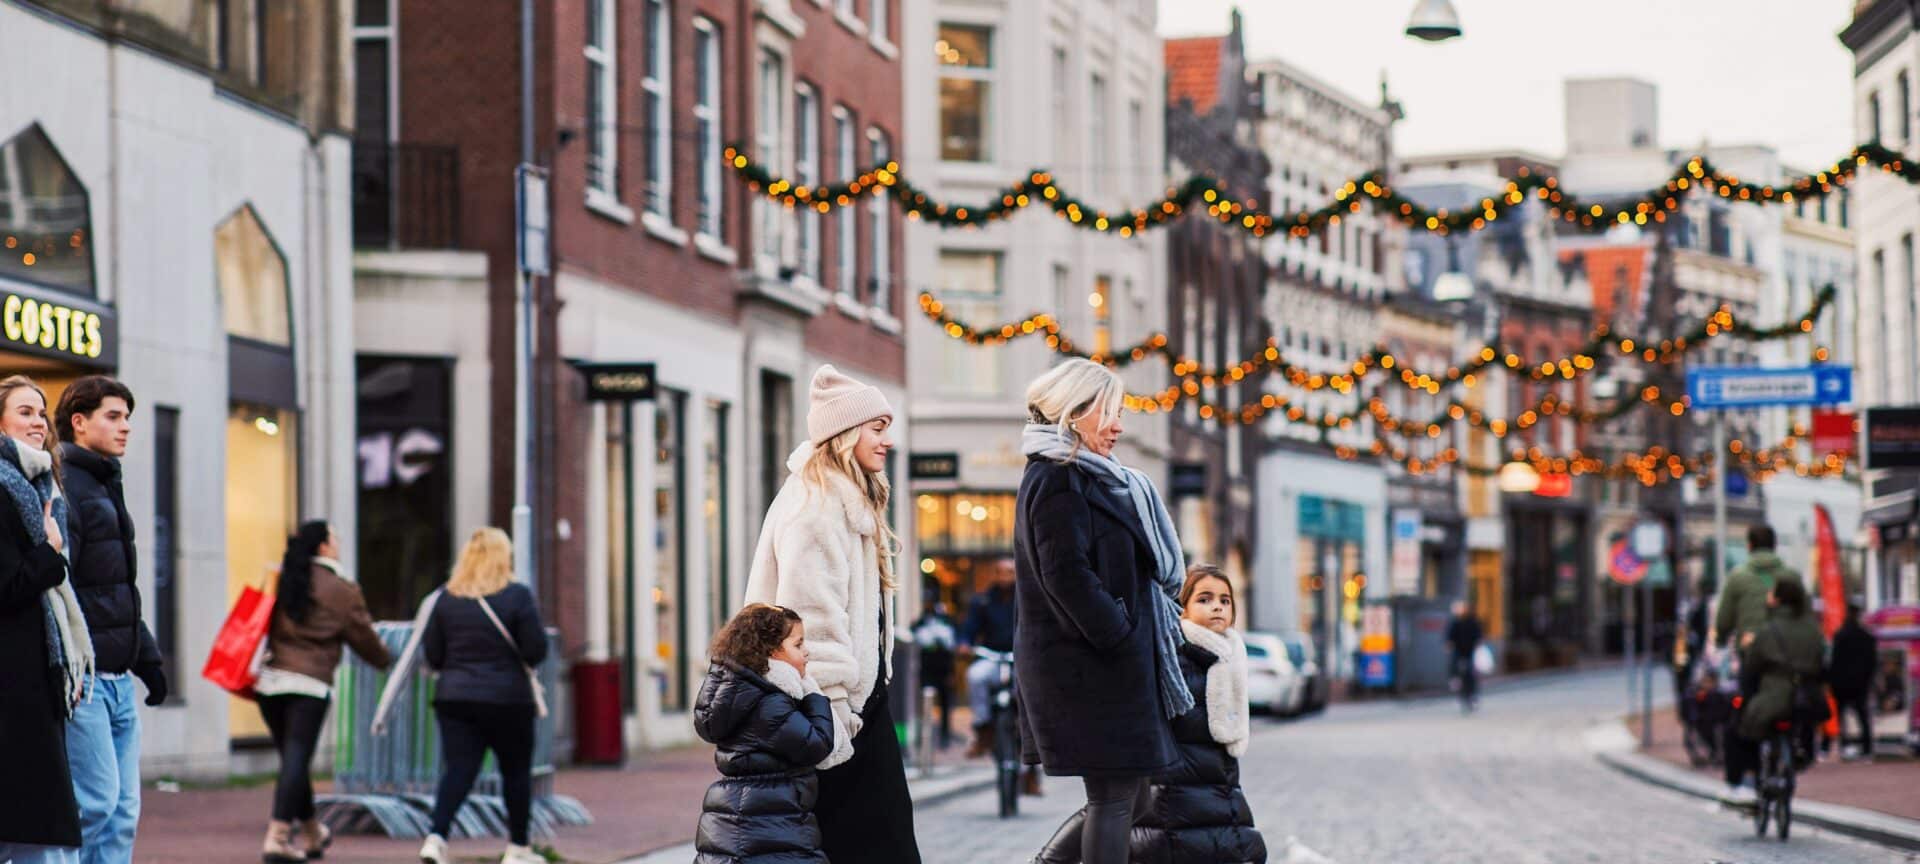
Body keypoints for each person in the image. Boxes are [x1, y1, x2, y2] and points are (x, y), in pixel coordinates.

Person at [742, 364, 920, 864]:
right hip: (833, 715)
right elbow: (809, 621)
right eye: (877, 428)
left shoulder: (846, 499)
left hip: (855, 708)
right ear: (845, 434)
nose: (887, 441)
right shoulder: (818, 506)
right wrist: (836, 717)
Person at [1017, 359, 1184, 864]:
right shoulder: (1056, 478)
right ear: (1074, 412)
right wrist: (1117, 632)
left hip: (1110, 667)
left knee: (1132, 799)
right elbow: (1064, 573)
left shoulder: (1091, 477)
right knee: (1114, 799)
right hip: (1090, 668)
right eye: (1109, 412)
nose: (1118, 425)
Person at [55, 375, 165, 864]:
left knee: (122, 815)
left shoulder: (105, 482)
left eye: (128, 418)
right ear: (79, 423)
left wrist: (147, 658)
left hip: (120, 682)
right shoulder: (66, 487)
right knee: (92, 807)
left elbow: (118, 589)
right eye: (113, 417)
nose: (126, 428)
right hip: (88, 683)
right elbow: (64, 590)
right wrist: (67, 666)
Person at [256, 520, 392, 863]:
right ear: (323, 547)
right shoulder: (342, 590)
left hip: (270, 683)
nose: (339, 542)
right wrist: (386, 660)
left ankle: (314, 833)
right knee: (297, 760)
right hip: (309, 685)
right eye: (335, 537)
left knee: (293, 762)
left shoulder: (285, 578)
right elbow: (364, 639)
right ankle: (277, 837)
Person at [416, 528, 549, 864]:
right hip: (508, 700)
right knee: (516, 773)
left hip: (455, 698)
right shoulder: (517, 596)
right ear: (504, 558)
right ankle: (518, 849)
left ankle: (436, 838)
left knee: (459, 770)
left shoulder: (446, 599)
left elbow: (433, 655)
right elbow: (536, 650)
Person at [0, 375, 88, 863]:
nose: (39, 423)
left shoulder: (38, 487)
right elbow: (8, 586)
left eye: (42, 413)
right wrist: (50, 552)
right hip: (10, 684)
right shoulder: (4, 487)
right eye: (25, 412)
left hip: (32, 678)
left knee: (32, 830)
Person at [1129, 565, 1267, 864]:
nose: (1217, 606)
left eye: (1225, 600)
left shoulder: (1229, 657)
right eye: (1204, 599)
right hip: (1174, 798)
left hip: (1217, 793)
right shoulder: (1173, 658)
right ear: (1183, 609)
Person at [692, 604, 835, 864]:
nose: (806, 652)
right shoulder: (770, 702)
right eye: (798, 644)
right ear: (771, 650)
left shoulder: (743, 691)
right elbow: (817, 743)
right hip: (769, 822)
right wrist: (814, 695)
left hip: (741, 818)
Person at [1726, 578, 1828, 795]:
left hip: (1775, 697)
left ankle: (1747, 781)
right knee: (1803, 726)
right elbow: (1822, 663)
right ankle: (1800, 754)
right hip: (1808, 699)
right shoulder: (1813, 630)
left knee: (1741, 728)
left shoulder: (1768, 631)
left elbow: (1752, 667)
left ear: (1778, 599)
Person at [960, 558, 1017, 758]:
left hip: (1019, 660)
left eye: (1010, 572)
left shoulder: (1025, 600)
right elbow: (970, 627)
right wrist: (965, 643)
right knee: (975, 676)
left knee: (1029, 686)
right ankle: (983, 729)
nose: (1005, 576)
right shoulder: (983, 600)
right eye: (1001, 572)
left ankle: (1030, 771)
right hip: (991, 658)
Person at [1714, 524, 1802, 650]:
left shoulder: (1737, 577)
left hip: (1749, 648)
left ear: (1749, 546)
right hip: (1785, 650)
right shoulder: (1793, 577)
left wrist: (1720, 641)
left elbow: (1723, 622)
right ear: (1774, 546)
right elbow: (1803, 616)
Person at [1828, 602, 1879, 761]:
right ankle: (1867, 747)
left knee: (1842, 716)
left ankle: (1845, 745)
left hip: (1842, 683)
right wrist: (1869, 679)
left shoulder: (1840, 635)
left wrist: (1831, 681)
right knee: (1863, 715)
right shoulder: (1867, 637)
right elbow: (1872, 661)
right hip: (1861, 683)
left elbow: (1834, 661)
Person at [910, 600, 958, 748]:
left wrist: (951, 672)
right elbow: (913, 631)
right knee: (925, 701)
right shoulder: (922, 620)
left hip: (943, 667)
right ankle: (925, 736)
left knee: (945, 703)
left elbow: (951, 646)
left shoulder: (946, 619)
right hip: (927, 667)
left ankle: (945, 735)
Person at [1445, 600, 1483, 713]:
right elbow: (1449, 637)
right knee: (1455, 668)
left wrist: (1477, 646)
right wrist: (1449, 644)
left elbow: (1478, 636)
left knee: (1470, 673)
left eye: (1461, 608)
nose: (1459, 611)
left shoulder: (1472, 621)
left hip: (1470, 651)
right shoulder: (1455, 622)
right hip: (1458, 651)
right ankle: (1455, 683)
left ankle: (1472, 696)